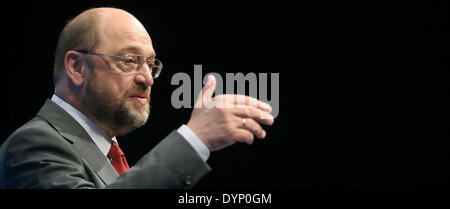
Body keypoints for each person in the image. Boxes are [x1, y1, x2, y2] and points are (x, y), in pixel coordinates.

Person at [0, 7, 274, 189]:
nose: (148, 78)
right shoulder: (33, 144)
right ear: (76, 67)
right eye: (129, 60)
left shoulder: (107, 152)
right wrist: (194, 139)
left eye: (151, 64)